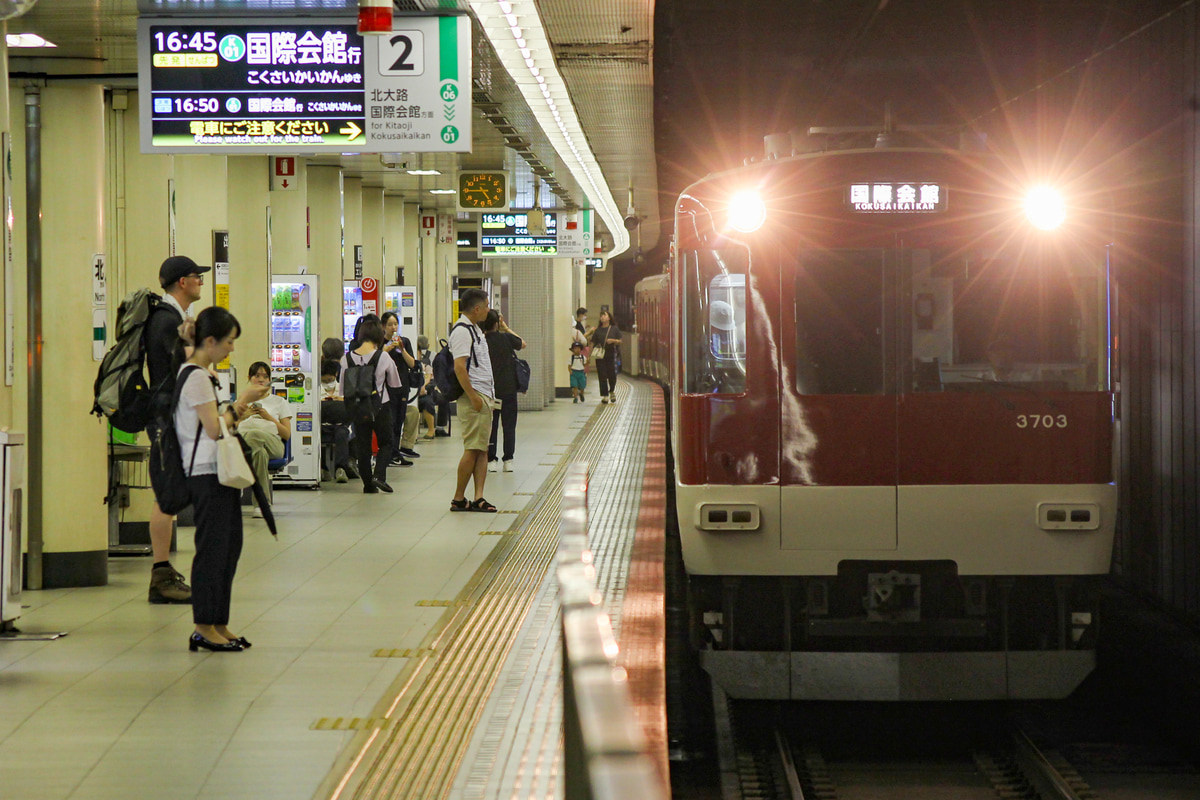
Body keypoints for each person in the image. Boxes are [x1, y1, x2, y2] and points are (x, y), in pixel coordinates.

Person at [176, 306, 254, 652]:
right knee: (211, 550)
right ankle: (202, 624)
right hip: (205, 473)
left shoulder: (205, 375)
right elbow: (213, 429)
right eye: (228, 342)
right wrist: (243, 402)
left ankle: (219, 621)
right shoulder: (194, 377)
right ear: (210, 341)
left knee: (229, 547)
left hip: (220, 473)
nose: (231, 349)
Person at [449, 288, 498, 512]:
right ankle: (459, 498)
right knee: (472, 448)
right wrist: (473, 397)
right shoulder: (461, 332)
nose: (489, 309)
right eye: (487, 305)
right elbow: (459, 367)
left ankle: (478, 496)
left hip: (483, 395)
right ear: (477, 308)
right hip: (474, 397)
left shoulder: (475, 329)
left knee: (481, 449)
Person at [340, 315, 401, 493]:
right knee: (386, 442)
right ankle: (379, 476)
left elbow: (343, 389)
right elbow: (395, 383)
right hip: (380, 405)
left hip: (357, 407)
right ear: (379, 336)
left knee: (363, 446)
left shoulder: (347, 358)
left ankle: (368, 484)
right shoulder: (383, 357)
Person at [236, 362, 292, 517]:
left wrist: (268, 418)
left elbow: (286, 434)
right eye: (257, 376)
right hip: (247, 447)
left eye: (265, 376)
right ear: (249, 378)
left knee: (253, 435)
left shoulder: (279, 402)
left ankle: (240, 485)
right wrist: (243, 417)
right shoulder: (240, 402)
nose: (261, 380)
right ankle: (261, 504)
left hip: (273, 444)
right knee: (258, 452)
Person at [482, 310, 526, 472]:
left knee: (491, 425)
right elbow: (522, 343)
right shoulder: (506, 338)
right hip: (509, 389)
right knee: (509, 426)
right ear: (497, 323)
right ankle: (508, 459)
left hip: (491, 391)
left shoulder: (482, 341)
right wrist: (506, 328)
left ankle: (491, 460)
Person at [380, 311, 417, 466]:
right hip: (386, 387)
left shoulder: (404, 342)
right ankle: (387, 454)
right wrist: (388, 348)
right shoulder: (380, 342)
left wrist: (402, 350)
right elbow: (377, 358)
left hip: (402, 386)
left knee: (399, 420)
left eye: (395, 324)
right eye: (390, 325)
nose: (393, 327)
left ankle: (395, 453)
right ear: (383, 326)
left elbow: (412, 364)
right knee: (389, 421)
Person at [319, 359, 353, 483]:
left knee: (341, 434)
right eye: (324, 381)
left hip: (341, 425)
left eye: (329, 380)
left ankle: (341, 468)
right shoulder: (316, 391)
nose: (327, 383)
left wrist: (341, 400)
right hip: (322, 424)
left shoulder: (343, 389)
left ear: (336, 376)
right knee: (316, 434)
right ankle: (322, 468)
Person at [591, 309, 622, 404]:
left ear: (609, 318)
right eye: (601, 316)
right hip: (600, 356)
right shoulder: (598, 330)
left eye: (604, 315)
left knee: (612, 374)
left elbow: (620, 340)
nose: (602, 317)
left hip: (611, 354)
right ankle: (605, 395)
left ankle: (612, 391)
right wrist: (589, 354)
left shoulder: (614, 329)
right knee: (602, 375)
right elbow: (593, 342)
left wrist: (613, 341)